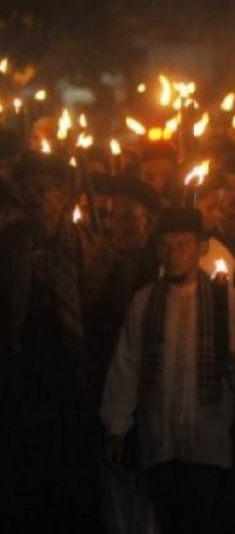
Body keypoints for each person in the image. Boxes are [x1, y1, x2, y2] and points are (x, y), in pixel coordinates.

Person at [100, 207, 235, 534]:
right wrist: (116, 424)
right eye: (165, 246)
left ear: (201, 248)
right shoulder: (145, 301)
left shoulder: (225, 300)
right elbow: (127, 364)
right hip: (160, 440)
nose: (172, 254)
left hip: (208, 443)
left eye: (181, 245)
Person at [0, 152, 112, 532]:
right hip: (22, 373)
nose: (35, 198)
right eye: (27, 190)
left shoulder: (92, 249)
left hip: (74, 374)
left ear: (64, 195)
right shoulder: (9, 244)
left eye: (43, 190)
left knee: (74, 474)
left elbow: (103, 316)